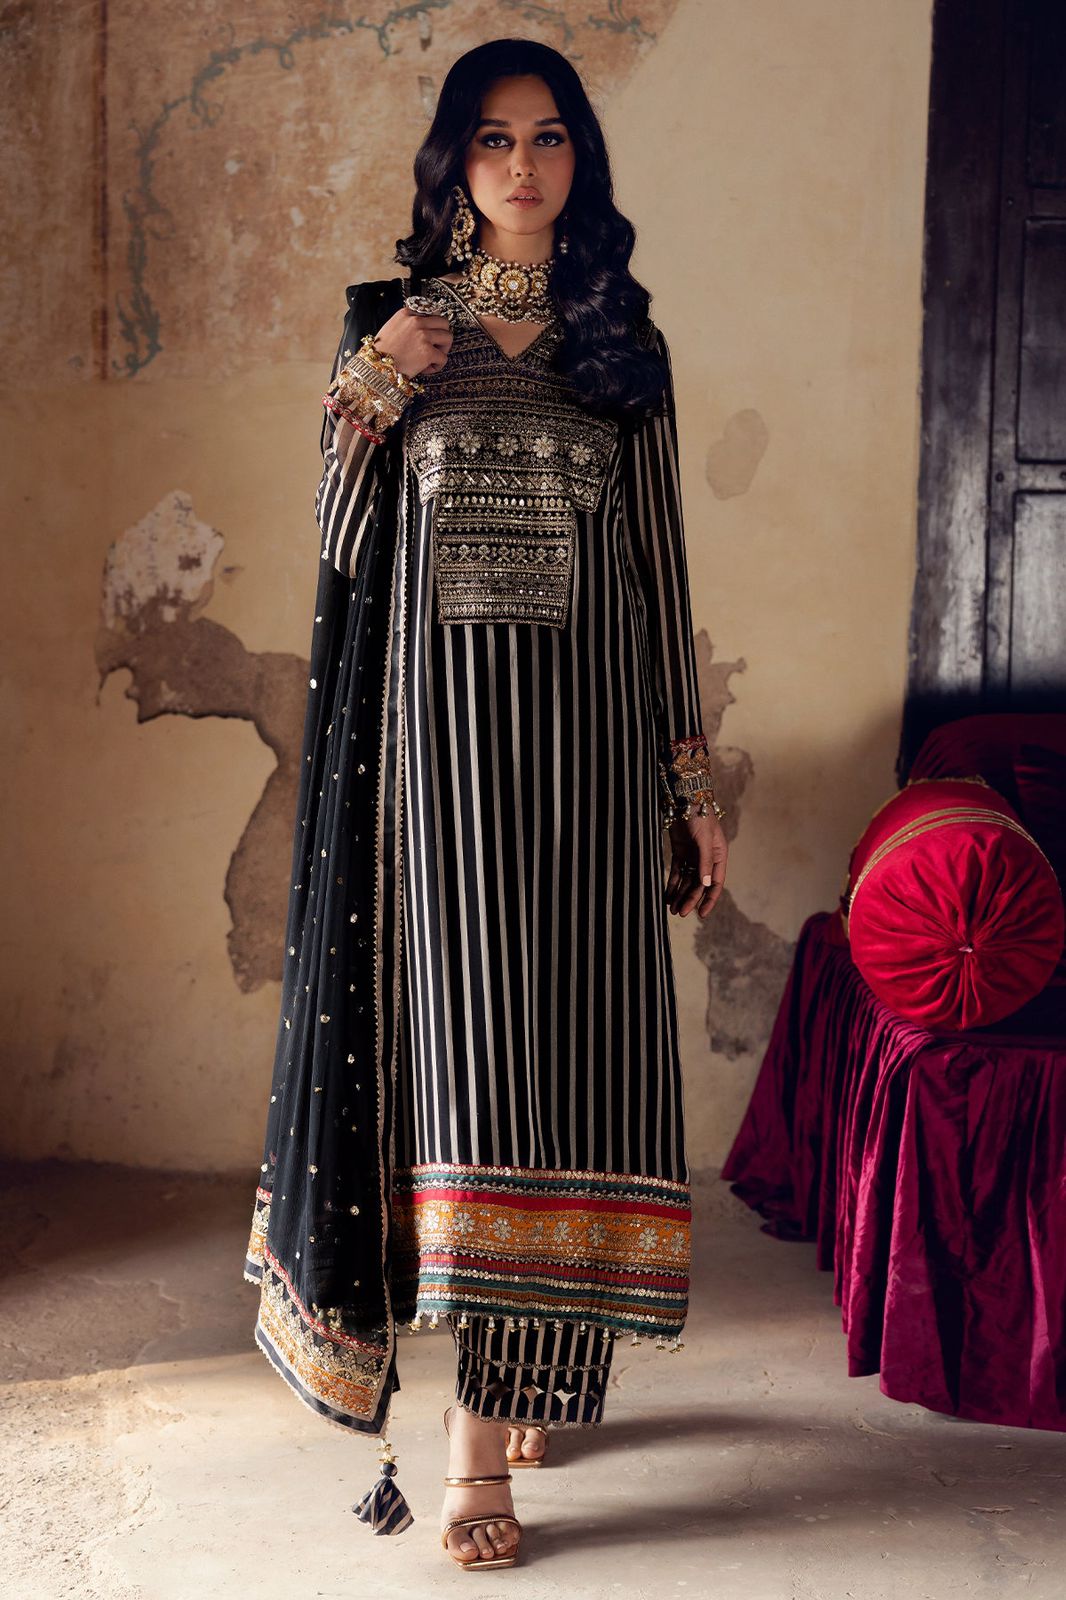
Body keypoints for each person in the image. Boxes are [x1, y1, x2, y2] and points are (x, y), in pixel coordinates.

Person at [243, 35, 728, 1572]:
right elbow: (333, 539)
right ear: (453, 163)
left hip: (580, 775)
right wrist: (379, 382)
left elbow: (657, 577)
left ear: (580, 164)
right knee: (467, 1084)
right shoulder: (388, 330)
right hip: (435, 775)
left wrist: (688, 781)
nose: (522, 168)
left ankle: (527, 1389)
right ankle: (478, 1451)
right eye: (492, 140)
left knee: (560, 1078)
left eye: (550, 139)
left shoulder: (618, 341)